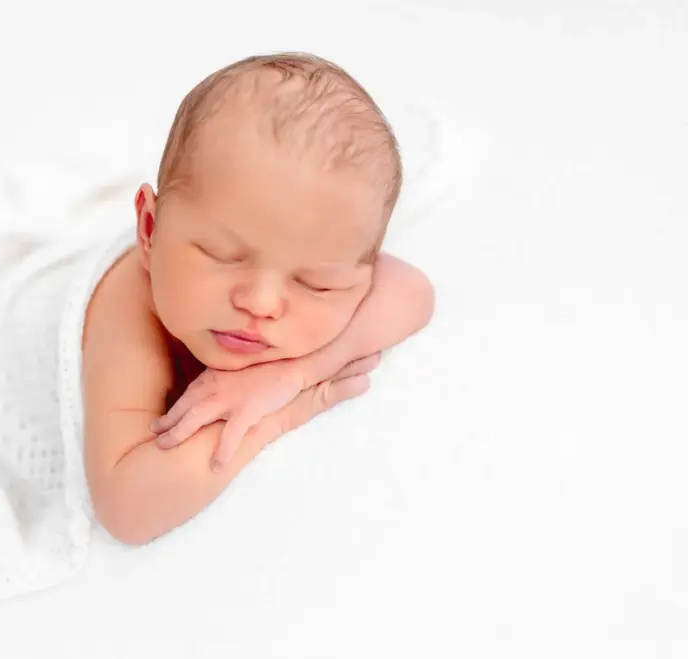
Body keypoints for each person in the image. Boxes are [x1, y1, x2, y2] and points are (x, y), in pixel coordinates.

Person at [77, 52, 435, 545]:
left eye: (315, 283)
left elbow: (413, 292)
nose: (261, 303)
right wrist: (284, 414)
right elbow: (125, 507)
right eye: (222, 255)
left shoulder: (316, 246)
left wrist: (290, 375)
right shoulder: (129, 312)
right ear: (150, 230)